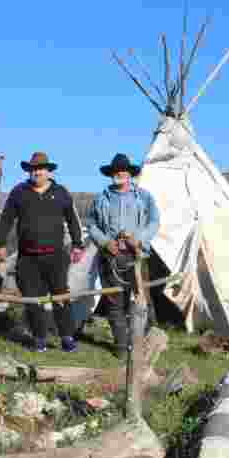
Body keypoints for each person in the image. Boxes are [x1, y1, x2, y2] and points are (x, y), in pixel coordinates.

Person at [0, 152, 86, 353]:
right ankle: (39, 338)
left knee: (60, 296)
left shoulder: (61, 192)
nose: (37, 172)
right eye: (34, 169)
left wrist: (78, 244)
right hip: (28, 257)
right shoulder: (19, 192)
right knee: (32, 299)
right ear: (29, 171)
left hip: (56, 256)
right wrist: (0, 243)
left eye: (41, 169)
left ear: (48, 171)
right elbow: (7, 219)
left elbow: (72, 220)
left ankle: (67, 338)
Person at [84, 153, 160, 360]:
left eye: (124, 172)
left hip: (137, 256)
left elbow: (154, 221)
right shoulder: (101, 198)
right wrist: (105, 242)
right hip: (111, 256)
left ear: (129, 175)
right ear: (112, 175)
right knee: (115, 302)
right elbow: (90, 223)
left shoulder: (144, 197)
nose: (120, 175)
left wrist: (139, 239)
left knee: (142, 300)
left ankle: (144, 343)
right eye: (117, 172)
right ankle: (121, 345)